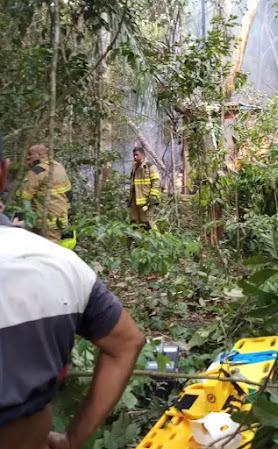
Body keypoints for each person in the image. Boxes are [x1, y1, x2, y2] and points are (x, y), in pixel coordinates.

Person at [0, 134, 145, 449]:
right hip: (60, 226)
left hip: (47, 224)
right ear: (2, 172)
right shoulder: (60, 168)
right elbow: (127, 342)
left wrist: (19, 215)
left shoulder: (37, 173)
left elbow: (25, 195)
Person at [19, 144, 73, 243]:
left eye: (30, 154)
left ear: (38, 155)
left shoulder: (37, 171)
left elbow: (24, 196)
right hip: (61, 218)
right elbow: (68, 193)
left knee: (47, 250)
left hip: (44, 221)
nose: (27, 157)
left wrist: (26, 219)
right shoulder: (59, 167)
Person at [129, 146, 161, 231]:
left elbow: (156, 181)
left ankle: (157, 241)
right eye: (134, 155)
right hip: (135, 200)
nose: (135, 157)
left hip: (146, 201)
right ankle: (138, 242)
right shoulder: (134, 167)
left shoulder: (150, 166)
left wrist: (153, 196)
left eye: (137, 155)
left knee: (148, 223)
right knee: (134, 222)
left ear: (142, 155)